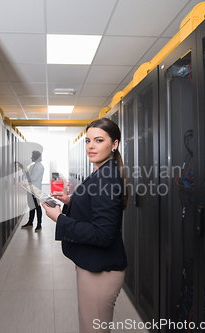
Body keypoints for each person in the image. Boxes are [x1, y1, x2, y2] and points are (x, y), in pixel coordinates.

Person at [42, 118, 129, 333]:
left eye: (99, 140)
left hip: (100, 272)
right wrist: (70, 200)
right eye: (88, 140)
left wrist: (59, 218)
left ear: (114, 144)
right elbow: (95, 207)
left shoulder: (105, 178)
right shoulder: (102, 171)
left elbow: (103, 234)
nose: (91, 146)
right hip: (94, 265)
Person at [18, 150, 45, 232]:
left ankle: (39, 224)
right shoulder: (32, 166)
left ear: (36, 157)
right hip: (30, 188)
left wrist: (28, 176)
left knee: (37, 206)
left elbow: (33, 178)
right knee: (31, 206)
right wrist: (22, 168)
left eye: (32, 156)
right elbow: (27, 176)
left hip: (36, 189)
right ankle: (30, 222)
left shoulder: (40, 167)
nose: (31, 158)